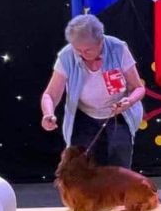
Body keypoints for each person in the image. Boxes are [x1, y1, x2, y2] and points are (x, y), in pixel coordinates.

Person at [40, 14, 146, 168]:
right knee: (82, 165)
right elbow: (50, 95)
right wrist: (48, 114)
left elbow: (138, 88)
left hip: (118, 114)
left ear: (101, 41)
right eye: (78, 50)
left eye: (88, 50)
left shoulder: (118, 48)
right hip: (84, 116)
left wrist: (129, 101)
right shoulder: (66, 56)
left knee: (119, 161)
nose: (82, 54)